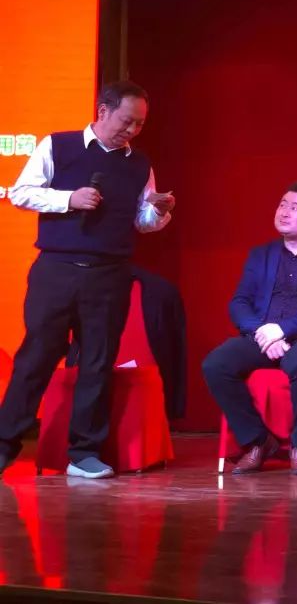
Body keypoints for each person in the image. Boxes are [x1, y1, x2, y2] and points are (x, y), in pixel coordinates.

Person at [0, 81, 175, 479]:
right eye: (126, 121)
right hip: (57, 270)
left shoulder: (139, 164)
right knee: (36, 357)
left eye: (139, 124)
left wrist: (159, 210)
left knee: (98, 361)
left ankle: (84, 453)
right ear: (102, 112)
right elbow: (21, 193)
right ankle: (4, 445)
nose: (131, 130)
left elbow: (141, 221)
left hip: (110, 274)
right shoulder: (58, 145)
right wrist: (68, 199)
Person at [202, 180, 297, 475]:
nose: (284, 212)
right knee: (216, 364)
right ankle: (257, 440)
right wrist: (263, 332)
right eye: (282, 204)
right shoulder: (261, 254)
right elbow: (239, 302)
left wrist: (282, 330)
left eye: (295, 207)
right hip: (262, 336)